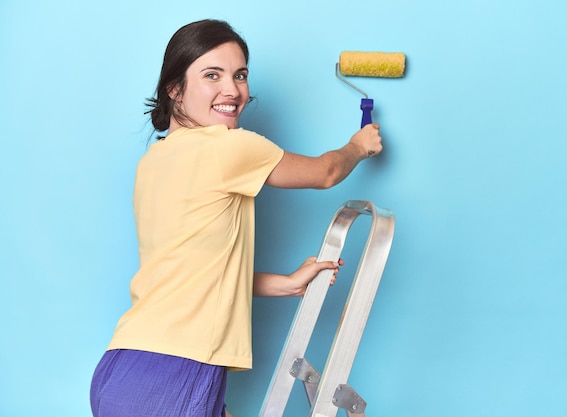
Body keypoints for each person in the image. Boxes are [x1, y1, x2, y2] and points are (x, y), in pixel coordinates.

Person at [90, 19, 382, 417]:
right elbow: (326, 172)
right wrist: (358, 145)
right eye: (213, 75)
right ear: (175, 89)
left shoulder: (154, 161)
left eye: (240, 75)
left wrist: (285, 284)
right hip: (175, 368)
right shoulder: (227, 148)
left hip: (125, 366)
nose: (232, 89)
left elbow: (193, 273)